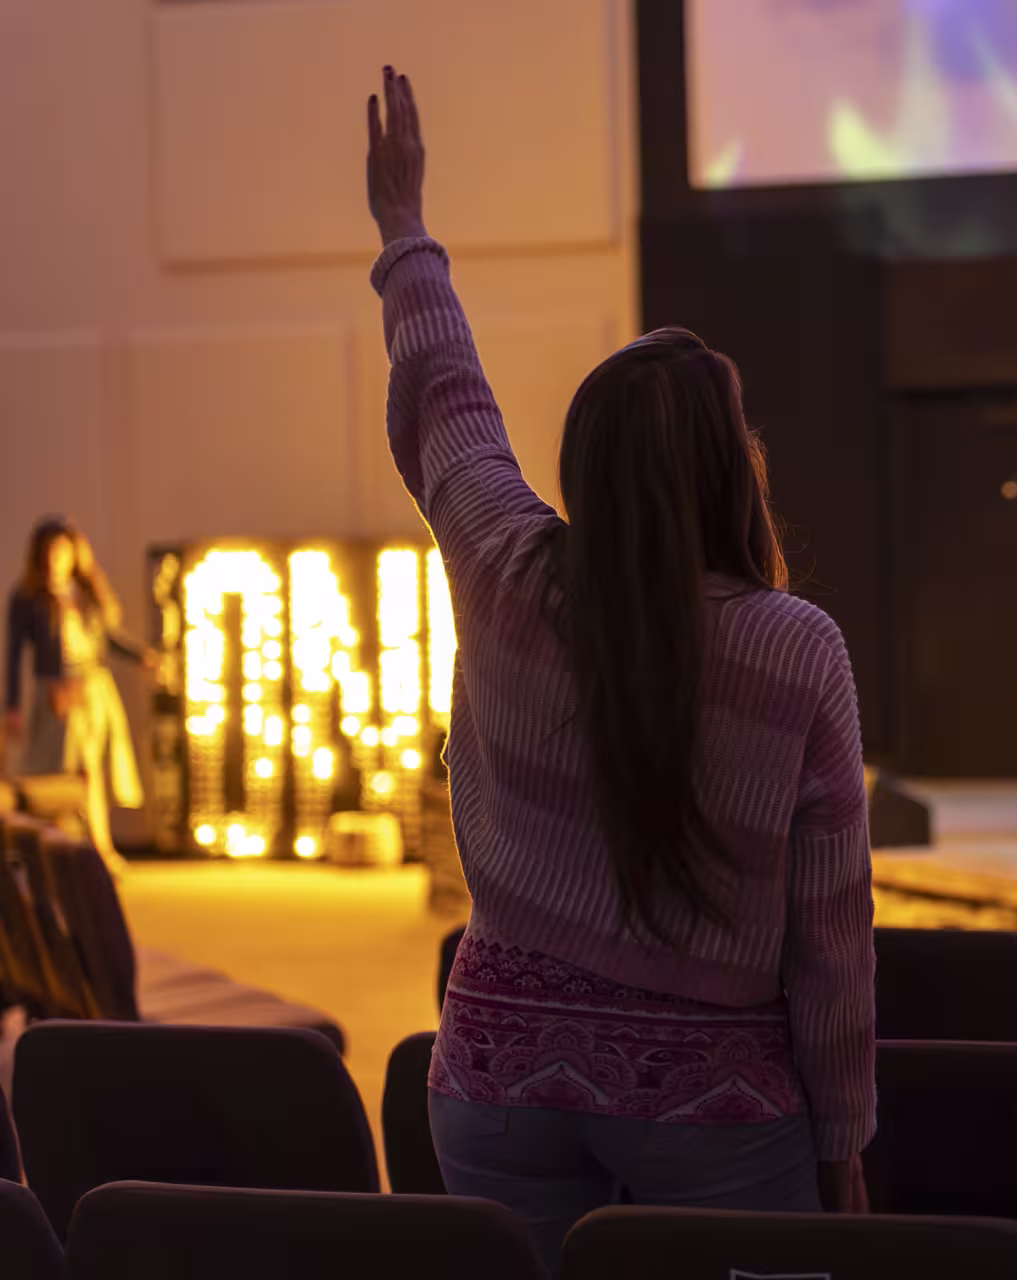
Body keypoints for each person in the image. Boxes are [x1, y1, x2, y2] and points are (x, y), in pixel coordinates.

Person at [363, 70, 875, 1271]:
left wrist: (404, 229)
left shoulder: (503, 565)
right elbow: (831, 936)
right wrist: (843, 1141)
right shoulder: (796, 648)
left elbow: (449, 394)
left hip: (492, 1085)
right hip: (718, 1113)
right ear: (724, 467)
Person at [5, 517, 150, 871]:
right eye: (50, 551)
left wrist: (143, 656)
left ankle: (100, 849)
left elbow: (108, 637)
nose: (56, 558)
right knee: (54, 775)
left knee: (90, 771)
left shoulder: (85, 594)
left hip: (91, 689)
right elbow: (12, 653)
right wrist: (11, 705)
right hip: (54, 692)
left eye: (62, 551)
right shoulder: (27, 598)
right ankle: (57, 852)